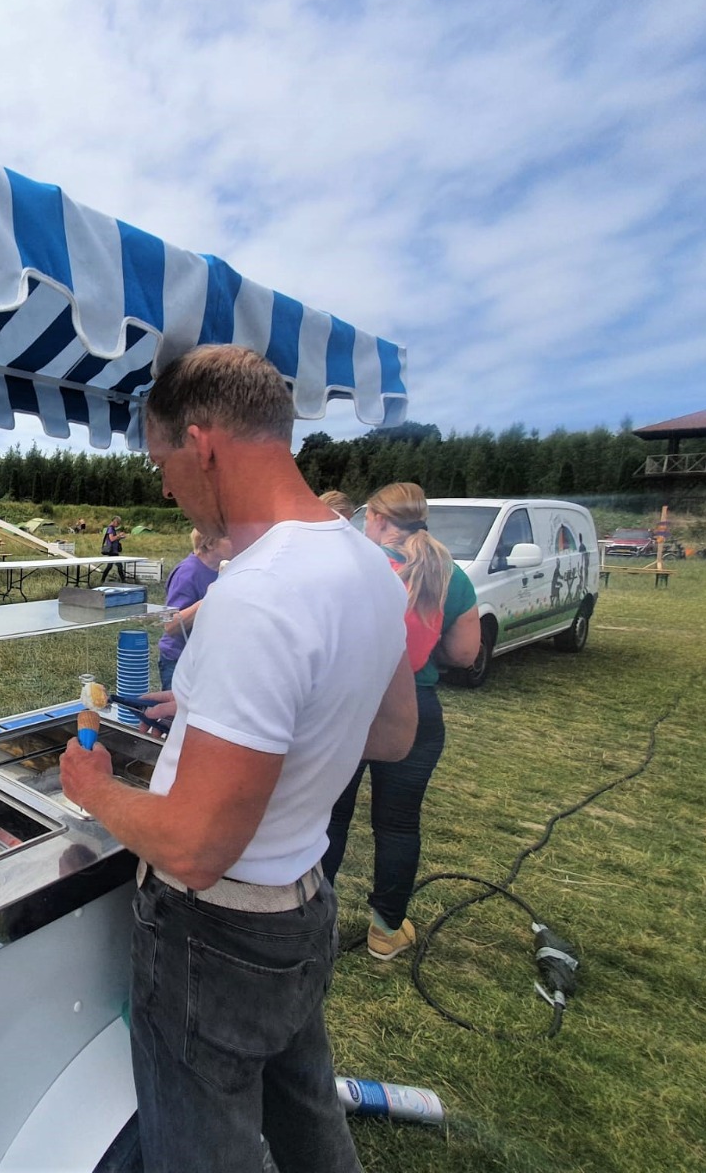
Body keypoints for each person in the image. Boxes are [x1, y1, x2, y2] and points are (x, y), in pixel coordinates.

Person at [59, 345, 416, 1173]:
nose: (164, 485)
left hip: (212, 931)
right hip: (302, 905)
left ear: (202, 441)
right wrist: (240, 721)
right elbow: (392, 731)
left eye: (161, 462)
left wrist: (96, 790)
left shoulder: (255, 593)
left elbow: (195, 844)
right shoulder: (367, 565)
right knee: (305, 1121)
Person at [322, 482, 480, 960]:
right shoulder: (449, 571)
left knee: (329, 818)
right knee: (398, 825)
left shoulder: (354, 565)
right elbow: (466, 652)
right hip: (416, 706)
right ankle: (386, 930)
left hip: (350, 706)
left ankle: (316, 920)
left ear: (375, 517)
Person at [158, 529, 232, 689]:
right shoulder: (187, 572)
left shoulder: (222, 570)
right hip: (179, 662)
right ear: (210, 544)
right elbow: (170, 624)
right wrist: (209, 599)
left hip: (205, 660)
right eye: (229, 538)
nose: (236, 541)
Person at [99, 515, 131, 582]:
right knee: (119, 566)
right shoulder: (110, 528)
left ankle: (102, 580)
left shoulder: (113, 529)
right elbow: (112, 539)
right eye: (118, 523)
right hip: (112, 551)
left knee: (109, 567)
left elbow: (115, 539)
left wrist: (120, 537)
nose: (118, 524)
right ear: (114, 521)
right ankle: (123, 581)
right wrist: (119, 535)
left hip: (114, 551)